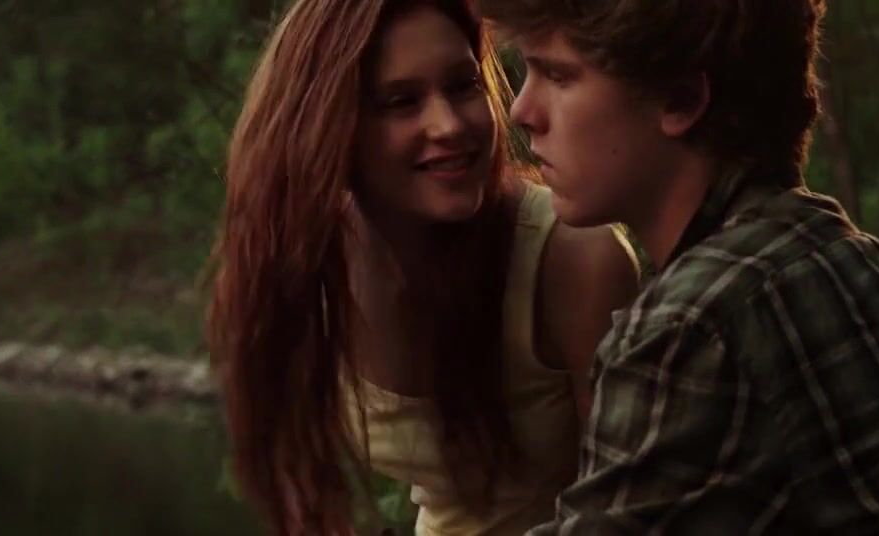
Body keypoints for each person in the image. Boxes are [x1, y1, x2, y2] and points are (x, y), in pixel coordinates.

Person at [473, 0, 879, 533]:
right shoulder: (878, 270)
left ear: (682, 98)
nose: (522, 111)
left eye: (559, 76)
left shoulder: (693, 324)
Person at [205, 0, 640, 534]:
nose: (449, 124)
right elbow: (300, 494)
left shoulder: (574, 259)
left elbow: (629, 509)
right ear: (331, 124)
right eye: (401, 102)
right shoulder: (307, 262)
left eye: (463, 86)